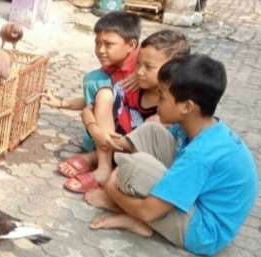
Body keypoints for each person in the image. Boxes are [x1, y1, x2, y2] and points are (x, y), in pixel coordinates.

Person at [85, 54, 258, 256]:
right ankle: (137, 212)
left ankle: (130, 215)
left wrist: (110, 187)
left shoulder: (200, 155)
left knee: (134, 167)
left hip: (204, 233)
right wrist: (98, 129)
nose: (157, 103)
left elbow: (148, 211)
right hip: (199, 200)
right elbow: (154, 136)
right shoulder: (200, 126)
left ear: (187, 107)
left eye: (162, 98)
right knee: (152, 132)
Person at [65, 30, 190, 193]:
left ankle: (96, 159)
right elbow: (88, 110)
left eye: (148, 67)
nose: (139, 72)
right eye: (138, 63)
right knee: (104, 94)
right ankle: (103, 168)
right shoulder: (132, 87)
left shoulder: (172, 106)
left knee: (154, 125)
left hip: (139, 158)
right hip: (110, 141)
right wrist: (95, 131)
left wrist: (105, 138)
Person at [42, 11, 140, 185]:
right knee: (96, 81)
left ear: (131, 45)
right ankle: (102, 157)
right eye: (97, 43)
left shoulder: (142, 69)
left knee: (97, 84)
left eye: (108, 44)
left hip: (137, 137)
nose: (100, 50)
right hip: (112, 134)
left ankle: (99, 161)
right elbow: (94, 103)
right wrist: (60, 103)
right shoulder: (111, 71)